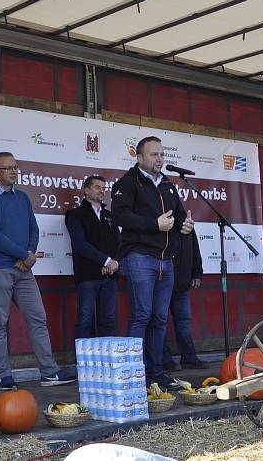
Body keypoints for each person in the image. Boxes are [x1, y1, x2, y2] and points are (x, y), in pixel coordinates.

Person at [0, 152, 76, 390]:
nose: (14, 171)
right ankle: (3, 376)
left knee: (38, 319)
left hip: (24, 269)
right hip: (0, 267)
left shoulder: (22, 197)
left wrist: (29, 254)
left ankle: (49, 373)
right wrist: (23, 255)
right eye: (8, 168)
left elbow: (33, 228)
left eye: (16, 167)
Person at [111, 136, 194, 390]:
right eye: (153, 154)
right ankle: (134, 373)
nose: (159, 159)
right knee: (142, 316)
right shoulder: (128, 183)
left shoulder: (168, 184)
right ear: (139, 157)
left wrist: (186, 225)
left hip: (165, 262)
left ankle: (157, 373)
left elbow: (179, 217)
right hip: (140, 258)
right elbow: (119, 216)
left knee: (159, 318)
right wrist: (153, 225)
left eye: (161, 154)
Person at [65, 175, 121, 338]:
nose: (101, 191)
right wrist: (106, 261)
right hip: (88, 276)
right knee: (85, 319)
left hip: (111, 276)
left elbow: (120, 243)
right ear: (86, 190)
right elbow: (80, 244)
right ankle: (83, 362)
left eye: (103, 188)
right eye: (97, 187)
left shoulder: (110, 215)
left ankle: (105, 361)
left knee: (108, 320)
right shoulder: (74, 214)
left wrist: (114, 263)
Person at [162, 230, 206, 371]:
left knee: (184, 323)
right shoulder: (160, 221)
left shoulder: (187, 224)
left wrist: (197, 273)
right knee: (160, 322)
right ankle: (164, 359)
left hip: (182, 283)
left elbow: (195, 250)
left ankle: (189, 358)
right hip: (161, 282)